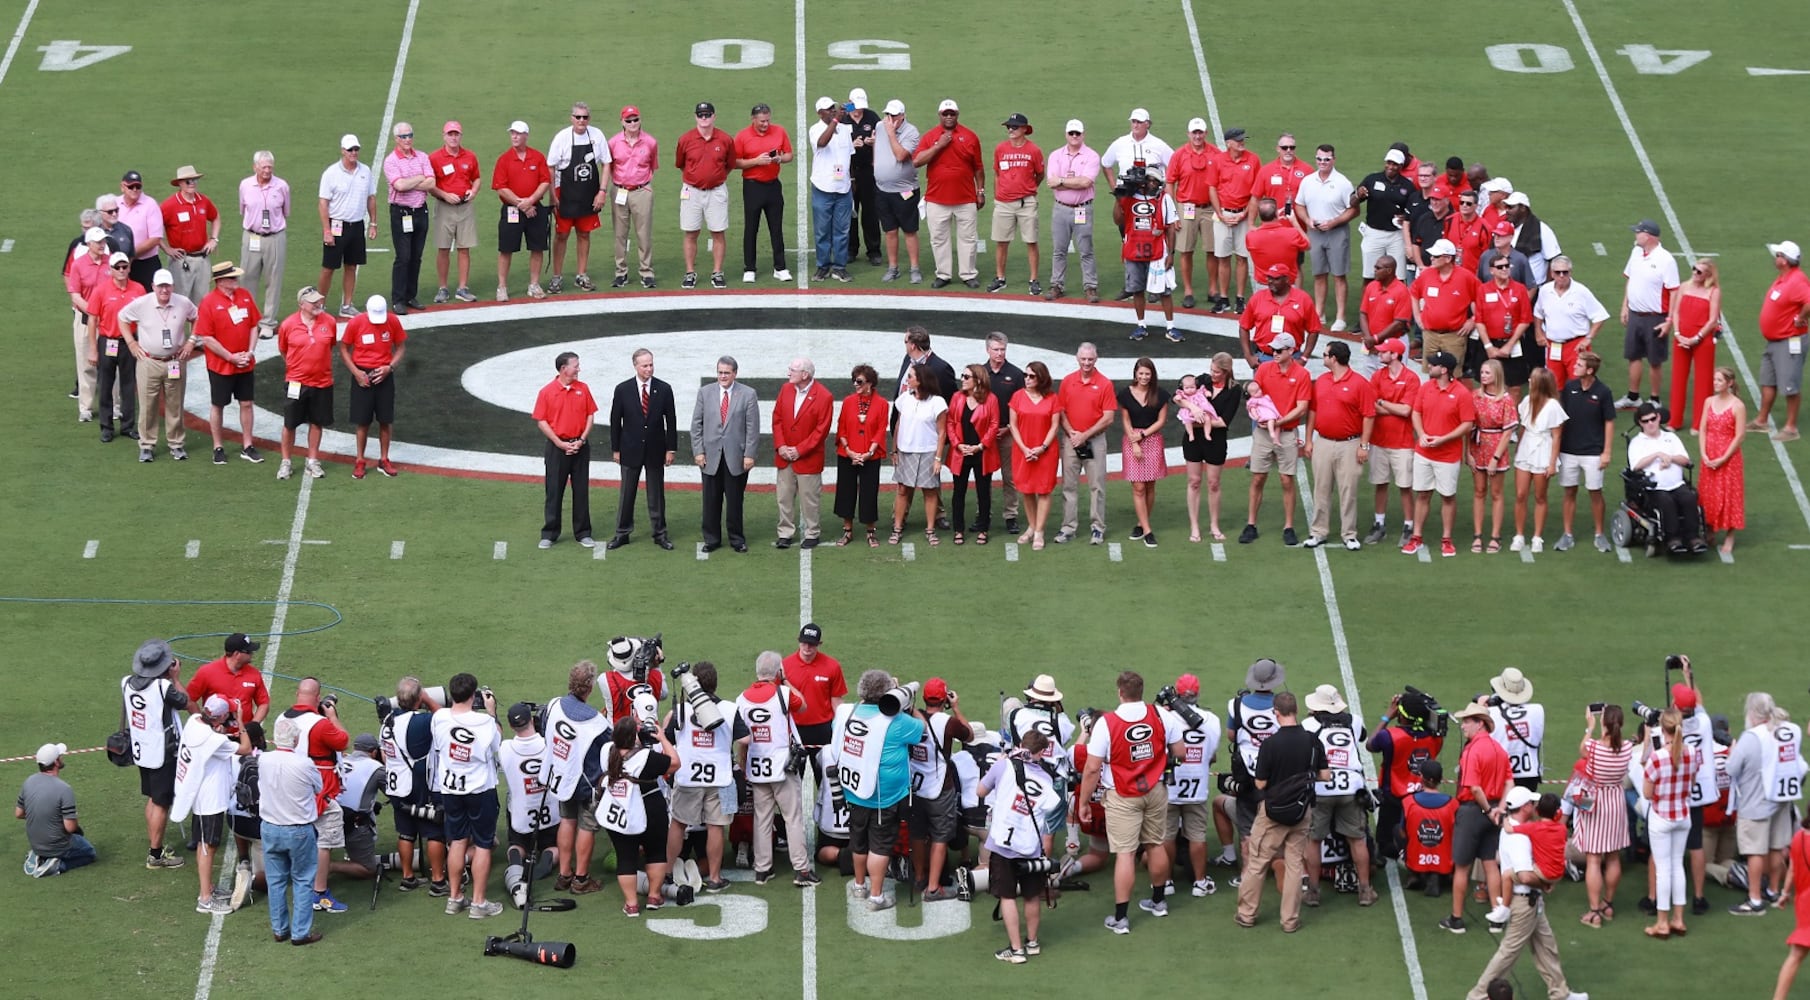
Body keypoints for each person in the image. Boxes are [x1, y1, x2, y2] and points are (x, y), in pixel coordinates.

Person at [1077, 670, 1185, 934]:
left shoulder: (1107, 723)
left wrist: (1082, 803)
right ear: (1141, 691)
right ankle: (1159, 902)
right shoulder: (1161, 714)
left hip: (1122, 795)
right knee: (1155, 844)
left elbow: (1092, 769)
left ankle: (1121, 918)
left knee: (1124, 854)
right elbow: (1180, 751)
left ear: (1120, 692)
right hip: (1156, 790)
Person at [1464, 786, 1590, 1000]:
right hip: (1524, 901)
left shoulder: (1515, 828)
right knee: (1508, 953)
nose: (1534, 806)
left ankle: (1560, 993)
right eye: (1531, 803)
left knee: (1546, 946)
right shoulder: (1520, 838)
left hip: (1530, 900)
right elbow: (1524, 876)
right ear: (1524, 807)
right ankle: (1477, 996)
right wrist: (1545, 886)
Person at [1233, 691, 1329, 932]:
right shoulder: (1312, 740)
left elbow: (1260, 784)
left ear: (1276, 713)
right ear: (1296, 711)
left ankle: (1247, 914)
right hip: (1302, 810)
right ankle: (1290, 920)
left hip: (1273, 812)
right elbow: (1325, 775)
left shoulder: (1271, 744)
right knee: (1295, 865)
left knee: (1257, 862)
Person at [839, 669, 928, 911]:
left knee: (858, 840)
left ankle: (859, 885)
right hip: (883, 795)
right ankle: (876, 897)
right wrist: (904, 702)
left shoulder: (847, 712)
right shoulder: (896, 721)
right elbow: (922, 730)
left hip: (854, 789)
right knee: (879, 845)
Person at [978, 728, 1060, 963]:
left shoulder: (1003, 766)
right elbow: (1051, 806)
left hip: (1003, 842)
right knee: (1032, 896)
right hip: (1030, 845)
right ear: (1041, 752)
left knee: (1007, 897)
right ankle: (1032, 942)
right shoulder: (1046, 777)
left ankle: (1016, 950)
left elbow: (980, 790)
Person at [661, 660, 742, 893]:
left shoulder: (682, 710)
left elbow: (669, 736)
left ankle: (666, 873)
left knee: (678, 824)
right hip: (722, 779)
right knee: (717, 827)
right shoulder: (729, 708)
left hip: (687, 777)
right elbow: (745, 739)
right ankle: (715, 878)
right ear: (715, 684)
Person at [736, 651, 815, 885]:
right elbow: (803, 706)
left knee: (762, 818)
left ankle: (762, 869)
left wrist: (743, 761)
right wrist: (787, 680)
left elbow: (742, 737)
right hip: (782, 766)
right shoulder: (783, 693)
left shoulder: (742, 698)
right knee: (792, 817)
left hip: (757, 766)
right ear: (778, 671)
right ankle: (801, 869)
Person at [173, 695, 254, 913]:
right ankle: (206, 898)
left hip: (199, 794)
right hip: (211, 799)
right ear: (221, 717)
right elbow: (246, 748)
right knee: (209, 845)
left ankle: (207, 888)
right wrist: (240, 721)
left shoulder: (194, 721)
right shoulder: (214, 740)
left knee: (204, 843)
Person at [431, 673, 503, 919]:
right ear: (474, 696)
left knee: (457, 841)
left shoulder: (439, 717)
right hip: (479, 789)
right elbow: (496, 746)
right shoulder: (484, 722)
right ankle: (479, 903)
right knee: (483, 844)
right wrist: (492, 713)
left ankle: (455, 898)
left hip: (451, 789)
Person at [1729, 692, 1807, 916]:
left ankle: (1755, 899)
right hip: (1781, 800)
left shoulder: (1751, 737)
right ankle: (1773, 890)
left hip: (1755, 802)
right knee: (1775, 848)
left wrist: (1733, 753)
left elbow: (1731, 769)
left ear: (1753, 713)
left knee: (1754, 852)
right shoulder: (1786, 729)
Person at [1302, 684, 1376, 906]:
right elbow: (1361, 736)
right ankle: (1365, 890)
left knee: (1313, 840)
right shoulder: (1353, 721)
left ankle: (1313, 892)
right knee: (1357, 840)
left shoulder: (1308, 724)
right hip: (1351, 787)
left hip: (1322, 787)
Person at [597, 716, 678, 916]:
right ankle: (653, 896)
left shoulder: (607, 751)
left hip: (617, 809)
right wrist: (663, 739)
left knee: (625, 857)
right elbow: (675, 763)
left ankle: (631, 904)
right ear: (634, 737)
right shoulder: (647, 757)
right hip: (650, 807)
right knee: (656, 852)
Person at [116, 268, 198, 463]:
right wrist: (132, 343)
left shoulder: (183, 302)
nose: (164, 290)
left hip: (174, 360)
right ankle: (146, 445)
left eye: (167, 286)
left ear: (173, 286)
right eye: (160, 286)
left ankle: (176, 444)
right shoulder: (143, 303)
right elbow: (122, 317)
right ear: (153, 287)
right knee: (147, 405)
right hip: (149, 361)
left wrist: (191, 341)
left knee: (175, 404)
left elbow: (197, 317)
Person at [1444, 702, 1512, 934]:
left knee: (1462, 867)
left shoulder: (1472, 751)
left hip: (1474, 810)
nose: (1463, 726)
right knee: (1491, 865)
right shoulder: (1499, 749)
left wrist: (1485, 809)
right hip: (1493, 812)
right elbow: (1509, 782)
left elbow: (1474, 788)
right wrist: (1499, 809)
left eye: (1467, 721)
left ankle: (1456, 918)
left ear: (1480, 723)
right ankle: (1496, 917)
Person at [123, 638, 190, 868]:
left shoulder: (126, 683)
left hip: (141, 750)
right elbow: (184, 701)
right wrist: (175, 678)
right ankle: (155, 854)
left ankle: (155, 845)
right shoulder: (163, 687)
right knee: (161, 803)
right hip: (163, 752)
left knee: (152, 798)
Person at [1240, 333, 1312, 546]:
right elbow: (1254, 396)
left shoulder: (1302, 375)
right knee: (1258, 477)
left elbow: (1302, 407)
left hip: (1287, 433)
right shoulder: (1264, 369)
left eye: (1279, 350)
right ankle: (1251, 523)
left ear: (1291, 351)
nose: (1274, 354)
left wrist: (1279, 422)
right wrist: (1257, 416)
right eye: (1273, 350)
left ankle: (1288, 526)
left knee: (1286, 479)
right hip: (1264, 433)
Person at [377, 677, 447, 894]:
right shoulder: (420, 722)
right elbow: (444, 718)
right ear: (418, 698)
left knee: (405, 832)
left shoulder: (388, 721)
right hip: (420, 784)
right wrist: (428, 699)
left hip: (397, 784)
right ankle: (437, 880)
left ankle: (408, 877)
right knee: (435, 831)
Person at [1304, 341, 1376, 550]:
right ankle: (1318, 532)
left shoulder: (1360, 384)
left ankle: (1349, 534)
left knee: (1348, 490)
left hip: (1350, 444)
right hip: (1324, 441)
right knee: (1321, 489)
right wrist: (1309, 440)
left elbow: (1369, 416)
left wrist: (1364, 445)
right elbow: (1313, 411)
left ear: (1334, 358)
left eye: (1326, 354)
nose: (1323, 358)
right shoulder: (1322, 381)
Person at [259, 717, 324, 945]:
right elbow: (319, 787)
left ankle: (280, 929)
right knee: (303, 879)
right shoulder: (303, 763)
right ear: (296, 739)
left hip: (270, 827)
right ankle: (300, 932)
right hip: (297, 829)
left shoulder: (264, 760)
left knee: (275, 881)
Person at [605, 348, 677, 550]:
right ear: (635, 366)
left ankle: (660, 534)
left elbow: (671, 420)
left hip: (655, 449)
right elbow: (615, 421)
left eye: (651, 364)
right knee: (627, 494)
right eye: (645, 365)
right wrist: (615, 449)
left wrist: (671, 449)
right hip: (629, 449)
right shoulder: (622, 389)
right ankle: (622, 533)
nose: (649, 368)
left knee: (656, 495)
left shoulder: (664, 389)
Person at [1406, 351, 1476, 557]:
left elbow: (1467, 424)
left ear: (1444, 370)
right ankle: (1416, 536)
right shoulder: (1425, 388)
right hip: (1424, 452)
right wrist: (1421, 433)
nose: (1429, 367)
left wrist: (1443, 439)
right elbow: (1416, 412)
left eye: (1433, 365)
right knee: (1423, 493)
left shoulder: (1462, 393)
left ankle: (1447, 539)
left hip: (1447, 456)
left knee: (1447, 496)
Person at [193, 261, 262, 465]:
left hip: (244, 362)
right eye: (232, 277)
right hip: (221, 365)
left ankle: (247, 445)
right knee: (218, 404)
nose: (236, 280)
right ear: (221, 281)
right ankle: (218, 446)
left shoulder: (245, 296)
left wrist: (249, 352)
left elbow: (253, 325)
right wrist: (230, 357)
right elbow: (207, 338)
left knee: (247, 403)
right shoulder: (208, 303)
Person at [909, 679, 973, 899]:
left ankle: (919, 878)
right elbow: (969, 735)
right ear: (944, 698)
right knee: (940, 836)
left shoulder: (911, 717)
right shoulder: (947, 722)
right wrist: (956, 708)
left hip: (914, 785)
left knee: (917, 834)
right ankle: (933, 888)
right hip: (940, 787)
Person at [1370, 689, 1447, 863]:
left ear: (1401, 715)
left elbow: (1370, 744)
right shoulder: (1436, 738)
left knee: (1386, 839)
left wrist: (1387, 716)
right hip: (1420, 797)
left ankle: (1387, 854)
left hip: (1393, 795)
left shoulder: (1389, 736)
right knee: (1416, 832)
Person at [692, 355, 760, 553]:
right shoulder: (705, 393)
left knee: (735, 501)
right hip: (710, 456)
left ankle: (737, 539)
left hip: (736, 457)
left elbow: (752, 427)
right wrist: (698, 451)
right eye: (720, 372)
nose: (722, 376)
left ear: (735, 374)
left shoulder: (748, 394)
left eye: (726, 373)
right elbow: (696, 425)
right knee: (710, 501)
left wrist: (749, 454)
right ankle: (711, 539)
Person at [914, 99, 984, 289]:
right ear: (940, 115)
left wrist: (981, 191)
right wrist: (939, 145)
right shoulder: (931, 137)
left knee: (968, 238)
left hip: (966, 198)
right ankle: (943, 274)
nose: (949, 116)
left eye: (952, 113)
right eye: (945, 113)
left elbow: (978, 167)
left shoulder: (970, 136)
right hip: (937, 199)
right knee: (938, 238)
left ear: (957, 115)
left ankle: (968, 274)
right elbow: (917, 161)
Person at [1577, 704, 1636, 927]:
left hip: (1596, 799)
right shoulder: (1627, 748)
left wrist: (1589, 728)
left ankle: (1594, 911)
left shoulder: (1594, 747)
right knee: (1613, 856)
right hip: (1615, 801)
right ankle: (1607, 903)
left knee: (1594, 857)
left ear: (1605, 723)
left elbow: (1582, 749)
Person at [1053, 344, 1117, 545]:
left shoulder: (1105, 384)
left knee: (1097, 485)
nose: (1087, 363)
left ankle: (1097, 528)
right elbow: (1060, 410)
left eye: (1090, 359)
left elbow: (1108, 417)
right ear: (1077, 358)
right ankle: (1068, 527)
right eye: (1083, 359)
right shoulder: (1068, 382)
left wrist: (1085, 435)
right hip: (1071, 440)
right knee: (1068, 485)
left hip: (1095, 441)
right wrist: (1072, 432)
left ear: (1096, 359)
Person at [338, 294, 407, 480]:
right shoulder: (356, 323)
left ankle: (384, 459)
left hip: (384, 374)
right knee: (363, 421)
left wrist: (390, 367)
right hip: (362, 374)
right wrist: (356, 372)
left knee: (386, 419)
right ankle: (360, 460)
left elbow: (401, 347)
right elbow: (343, 348)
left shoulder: (392, 321)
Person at [533, 351, 597, 549]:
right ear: (563, 368)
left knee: (581, 491)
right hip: (556, 449)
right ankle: (550, 533)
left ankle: (583, 532)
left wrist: (581, 440)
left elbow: (590, 416)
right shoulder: (547, 391)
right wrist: (559, 443)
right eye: (575, 365)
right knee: (553, 490)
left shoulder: (583, 389)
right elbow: (541, 421)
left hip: (580, 447)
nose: (579, 368)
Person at [496, 703, 556, 910]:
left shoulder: (506, 748)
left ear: (512, 727)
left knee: (517, 845)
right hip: (550, 811)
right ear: (532, 721)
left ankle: (516, 866)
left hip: (521, 815)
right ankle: (545, 862)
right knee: (552, 846)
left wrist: (491, 712)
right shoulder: (549, 743)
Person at [546, 102, 610, 295]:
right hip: (565, 194)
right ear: (571, 118)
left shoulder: (597, 136)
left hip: (589, 194)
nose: (581, 121)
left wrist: (602, 191)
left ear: (589, 119)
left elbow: (606, 164)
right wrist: (552, 196)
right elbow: (551, 167)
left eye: (585, 117)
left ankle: (581, 275)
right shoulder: (562, 138)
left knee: (584, 233)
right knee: (562, 235)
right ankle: (557, 276)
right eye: (578, 117)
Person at [1644, 708, 1698, 938]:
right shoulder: (1693, 753)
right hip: (1682, 814)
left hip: (1662, 816)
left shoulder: (1658, 757)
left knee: (1663, 869)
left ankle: (1663, 922)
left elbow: (1647, 793)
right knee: (1677, 866)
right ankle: (1678, 919)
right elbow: (1692, 783)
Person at [1628, 401, 1708, 553]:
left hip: (1677, 484)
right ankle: (1673, 538)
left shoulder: (1671, 437)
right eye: (1646, 421)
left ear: (1658, 417)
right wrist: (1657, 455)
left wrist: (1670, 458)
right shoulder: (1637, 443)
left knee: (1689, 498)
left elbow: (1686, 460)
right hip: (1654, 488)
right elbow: (1636, 466)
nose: (1650, 423)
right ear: (1640, 423)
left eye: (1653, 419)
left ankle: (1693, 537)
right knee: (1666, 502)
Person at [273, 285, 335, 480]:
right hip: (296, 382)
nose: (318, 303)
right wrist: (296, 367)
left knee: (317, 422)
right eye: (313, 301)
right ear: (301, 304)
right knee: (290, 423)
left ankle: (312, 461)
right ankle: (286, 462)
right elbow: (284, 350)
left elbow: (330, 346)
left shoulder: (330, 322)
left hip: (322, 381)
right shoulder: (288, 324)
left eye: (319, 299)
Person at [1114, 165, 1180, 342]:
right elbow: (1117, 220)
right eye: (1148, 180)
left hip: (1157, 252)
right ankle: (1141, 324)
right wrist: (1118, 198)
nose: (1151, 183)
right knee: (1136, 289)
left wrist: (1171, 253)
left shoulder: (1164, 199)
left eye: (1154, 181)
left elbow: (1172, 228)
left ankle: (1171, 326)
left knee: (1164, 291)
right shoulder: (1130, 197)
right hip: (1134, 250)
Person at [773, 357, 834, 548]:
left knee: (810, 499)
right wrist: (781, 446)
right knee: (784, 496)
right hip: (785, 457)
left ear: (805, 374)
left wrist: (799, 450)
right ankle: (785, 532)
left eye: (792, 370)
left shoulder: (824, 396)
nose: (788, 373)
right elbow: (777, 419)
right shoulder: (785, 389)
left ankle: (812, 532)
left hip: (808, 458)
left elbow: (821, 431)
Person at [1620, 219, 1681, 410]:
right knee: (1633, 355)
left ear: (1648, 236)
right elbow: (1630, 280)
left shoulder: (1666, 260)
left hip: (1656, 316)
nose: (1635, 235)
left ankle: (1655, 398)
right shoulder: (1636, 252)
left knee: (1655, 360)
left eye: (1638, 232)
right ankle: (1633, 396)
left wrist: (1669, 320)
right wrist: (1625, 306)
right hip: (1635, 313)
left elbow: (1674, 291)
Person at [1296, 144, 1358, 330]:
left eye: (1326, 159)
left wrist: (1333, 222)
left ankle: (1340, 316)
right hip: (1315, 233)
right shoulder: (1308, 181)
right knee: (1319, 274)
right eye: (1319, 159)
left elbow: (1354, 209)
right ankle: (1319, 313)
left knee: (1339, 274)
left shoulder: (1343, 183)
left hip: (1337, 232)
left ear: (1333, 160)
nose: (1322, 162)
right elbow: (1299, 204)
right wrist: (1307, 220)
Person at [86, 250, 145, 443]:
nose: (121, 270)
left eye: (124, 267)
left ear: (129, 268)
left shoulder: (138, 289)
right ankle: (106, 427)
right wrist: (93, 349)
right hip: (107, 340)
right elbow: (93, 320)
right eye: (117, 267)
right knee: (105, 385)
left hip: (130, 343)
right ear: (110, 270)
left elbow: (144, 319)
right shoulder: (100, 290)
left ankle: (128, 426)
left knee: (129, 385)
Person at [1183, 354, 1243, 543]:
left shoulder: (1234, 390)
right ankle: (1194, 525)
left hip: (1216, 441)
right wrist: (1193, 409)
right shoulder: (1201, 381)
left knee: (1213, 483)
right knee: (1193, 481)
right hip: (1193, 441)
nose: (1212, 374)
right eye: (1211, 370)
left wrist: (1199, 422)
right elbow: (1177, 397)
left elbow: (1224, 421)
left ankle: (1214, 525)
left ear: (1226, 372)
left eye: (1216, 372)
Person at [1754, 240, 1810, 441]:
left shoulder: (1797, 280)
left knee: (1789, 385)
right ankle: (1761, 420)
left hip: (1789, 341)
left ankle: (1791, 427)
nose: (1775, 257)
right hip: (1774, 341)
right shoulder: (1784, 278)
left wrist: (1802, 317)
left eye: (1778, 255)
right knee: (1768, 381)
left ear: (1784, 260)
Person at [1366, 337, 1420, 545]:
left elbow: (1407, 411)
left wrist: (1383, 403)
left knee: (1405, 486)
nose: (1379, 354)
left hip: (1402, 442)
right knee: (1380, 483)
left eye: (1383, 351)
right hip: (1379, 440)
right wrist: (1391, 407)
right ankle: (1379, 523)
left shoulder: (1411, 378)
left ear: (1395, 354)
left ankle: (1409, 525)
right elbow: (1373, 406)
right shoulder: (1378, 376)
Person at [318, 135, 378, 318]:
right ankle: (320, 305)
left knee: (351, 266)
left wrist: (373, 223)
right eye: (350, 150)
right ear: (343, 150)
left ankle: (347, 305)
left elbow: (371, 198)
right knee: (329, 267)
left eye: (356, 149)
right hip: (337, 225)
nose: (354, 153)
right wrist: (327, 230)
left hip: (357, 225)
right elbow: (323, 203)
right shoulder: (331, 173)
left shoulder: (365, 171)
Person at [733, 102, 793, 283]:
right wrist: (757, 161)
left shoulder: (779, 131)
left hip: (773, 185)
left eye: (767, 120)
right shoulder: (743, 136)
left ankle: (780, 267)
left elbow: (789, 155)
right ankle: (749, 268)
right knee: (751, 228)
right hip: (752, 186)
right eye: (762, 121)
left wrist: (779, 159)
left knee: (776, 228)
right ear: (753, 119)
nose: (765, 124)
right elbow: (735, 162)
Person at [675, 102, 733, 290]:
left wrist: (714, 177)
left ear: (714, 116)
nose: (704, 118)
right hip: (692, 191)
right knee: (691, 232)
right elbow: (681, 164)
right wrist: (697, 178)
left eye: (707, 115)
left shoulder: (725, 139)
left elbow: (730, 164)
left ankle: (717, 272)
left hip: (716, 191)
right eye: (701, 115)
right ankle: (690, 272)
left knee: (718, 231)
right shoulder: (686, 139)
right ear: (695, 117)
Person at [888, 365, 948, 545]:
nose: (907, 379)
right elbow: (898, 425)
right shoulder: (904, 398)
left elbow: (942, 432)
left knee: (930, 492)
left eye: (911, 376)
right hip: (906, 451)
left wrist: (938, 458)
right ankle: (897, 528)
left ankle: (930, 530)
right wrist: (894, 450)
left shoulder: (937, 402)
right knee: (902, 490)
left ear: (921, 380)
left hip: (928, 452)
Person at [492, 121, 552, 301]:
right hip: (513, 210)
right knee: (506, 248)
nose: (515, 137)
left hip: (535, 209)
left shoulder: (538, 157)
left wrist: (531, 201)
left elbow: (545, 181)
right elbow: (501, 187)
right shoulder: (504, 159)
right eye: (512, 133)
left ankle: (534, 284)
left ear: (526, 135)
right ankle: (502, 287)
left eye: (518, 133)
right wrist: (522, 205)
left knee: (537, 247)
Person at [16, 743, 96, 878]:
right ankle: (57, 865)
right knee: (89, 852)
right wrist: (73, 817)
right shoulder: (64, 789)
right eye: (60, 757)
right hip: (58, 845)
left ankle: (39, 856)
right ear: (56, 762)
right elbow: (70, 828)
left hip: (36, 844)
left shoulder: (28, 781)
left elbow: (19, 813)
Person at [1510, 367, 1567, 552]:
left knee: (1540, 496)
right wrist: (1518, 448)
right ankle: (1519, 536)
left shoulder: (1553, 406)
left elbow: (1557, 436)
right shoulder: (1526, 401)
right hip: (1526, 449)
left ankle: (1537, 537)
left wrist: (1552, 463)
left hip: (1543, 451)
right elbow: (1523, 427)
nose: (1529, 380)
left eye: (1532, 379)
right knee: (1520, 494)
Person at [382, 121, 435, 313]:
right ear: (396, 139)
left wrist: (413, 182)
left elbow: (431, 182)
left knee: (416, 256)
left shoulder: (422, 156)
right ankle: (398, 298)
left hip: (420, 211)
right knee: (403, 257)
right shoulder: (391, 161)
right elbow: (400, 186)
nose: (407, 139)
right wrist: (420, 178)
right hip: (401, 212)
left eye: (410, 135)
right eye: (403, 136)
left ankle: (411, 295)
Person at [988, 113, 1044, 296]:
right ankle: (1000, 278)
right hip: (1003, 202)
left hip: (1026, 202)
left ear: (1024, 129)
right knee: (1001, 242)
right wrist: (999, 193)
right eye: (1008, 127)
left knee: (1031, 241)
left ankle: (1034, 279)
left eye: (1014, 127)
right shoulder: (1000, 149)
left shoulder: (1034, 150)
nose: (1010, 130)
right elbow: (997, 173)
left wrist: (1028, 189)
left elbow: (1040, 174)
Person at [834, 364, 889, 547]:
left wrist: (869, 452)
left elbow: (881, 430)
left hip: (869, 456)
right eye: (854, 380)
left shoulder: (882, 404)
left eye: (859, 381)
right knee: (846, 492)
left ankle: (870, 532)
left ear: (870, 383)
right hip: (847, 455)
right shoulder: (848, 401)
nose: (855, 384)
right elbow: (841, 428)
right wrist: (849, 451)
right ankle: (847, 531)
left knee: (869, 493)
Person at [1045, 118, 1100, 302]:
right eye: (1071, 133)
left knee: (1086, 249)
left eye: (1078, 133)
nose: (1074, 136)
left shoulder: (1091, 156)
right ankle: (1056, 285)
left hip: (1082, 208)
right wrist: (1070, 182)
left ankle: (1090, 287)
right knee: (1059, 249)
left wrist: (1062, 181)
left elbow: (1086, 182)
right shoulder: (1055, 155)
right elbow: (1052, 183)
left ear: (1083, 134)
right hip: (1061, 209)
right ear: (1066, 135)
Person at [946, 364, 1000, 545]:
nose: (962, 379)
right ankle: (958, 529)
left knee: (983, 492)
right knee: (958, 492)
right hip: (961, 453)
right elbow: (951, 423)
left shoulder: (991, 399)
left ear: (978, 379)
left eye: (966, 376)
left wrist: (980, 446)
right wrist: (957, 444)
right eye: (962, 376)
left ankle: (983, 528)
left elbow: (994, 425)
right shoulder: (956, 397)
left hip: (981, 453)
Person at [1009, 361, 1061, 549]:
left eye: (1032, 376)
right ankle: (1031, 526)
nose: (1027, 379)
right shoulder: (1017, 397)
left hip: (1045, 452)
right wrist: (1024, 448)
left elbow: (1055, 425)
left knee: (1044, 490)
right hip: (1023, 450)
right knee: (1027, 490)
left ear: (1041, 378)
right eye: (1026, 375)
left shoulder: (1052, 398)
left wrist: (1042, 448)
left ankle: (1039, 531)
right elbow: (1013, 425)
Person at [1119, 358, 1170, 546]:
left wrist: (1143, 435)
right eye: (1141, 373)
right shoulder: (1125, 394)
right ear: (1135, 374)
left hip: (1152, 440)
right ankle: (1148, 531)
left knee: (1149, 485)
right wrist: (1134, 442)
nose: (1144, 377)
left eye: (1147, 374)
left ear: (1152, 375)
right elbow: (1125, 420)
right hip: (1133, 440)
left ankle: (1142, 523)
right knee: (1138, 486)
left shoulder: (1160, 394)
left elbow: (1161, 420)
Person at [429, 121, 482, 303]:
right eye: (450, 134)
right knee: (443, 248)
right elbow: (430, 185)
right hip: (444, 207)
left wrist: (473, 192)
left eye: (456, 134)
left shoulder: (470, 156)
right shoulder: (435, 158)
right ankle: (442, 288)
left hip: (465, 207)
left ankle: (462, 288)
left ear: (461, 136)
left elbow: (476, 179)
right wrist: (445, 194)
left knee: (464, 248)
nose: (453, 137)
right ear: (444, 136)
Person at [237, 151, 290, 334]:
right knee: (246, 279)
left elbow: (286, 211)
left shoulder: (281, 186)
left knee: (273, 280)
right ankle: (249, 320)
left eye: (270, 167)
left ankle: (268, 323)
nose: (267, 170)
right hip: (251, 236)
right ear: (255, 167)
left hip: (275, 237)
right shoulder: (245, 185)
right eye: (264, 167)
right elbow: (243, 210)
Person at [1667, 258, 1722, 430]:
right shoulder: (1684, 286)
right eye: (1694, 269)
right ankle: (1674, 421)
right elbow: (1675, 311)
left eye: (1699, 271)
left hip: (1702, 341)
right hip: (1681, 339)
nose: (1694, 273)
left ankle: (1700, 424)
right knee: (1678, 379)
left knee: (1703, 382)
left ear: (1708, 275)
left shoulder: (1714, 292)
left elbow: (1713, 320)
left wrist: (1696, 338)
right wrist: (1677, 334)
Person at [1533, 256, 1610, 380]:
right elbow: (1538, 313)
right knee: (1554, 384)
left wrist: (1588, 338)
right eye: (1558, 272)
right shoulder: (1545, 291)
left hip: (1575, 345)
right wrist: (1538, 332)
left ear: (1570, 272)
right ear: (1552, 273)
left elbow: (1600, 316)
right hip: (1553, 346)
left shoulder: (1581, 292)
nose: (1561, 275)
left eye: (1565, 272)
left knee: (1578, 383)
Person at [1470, 359, 1519, 552]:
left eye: (1487, 373)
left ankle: (1495, 536)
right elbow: (1469, 425)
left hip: (1496, 447)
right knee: (1479, 491)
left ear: (1496, 375)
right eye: (1482, 372)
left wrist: (1495, 458)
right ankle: (1477, 535)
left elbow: (1507, 432)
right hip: (1478, 446)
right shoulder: (1475, 396)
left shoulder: (1506, 399)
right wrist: (1468, 453)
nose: (1483, 376)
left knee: (1496, 493)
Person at [608, 107, 660, 289]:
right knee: (619, 234)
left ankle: (646, 272)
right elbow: (609, 167)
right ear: (622, 122)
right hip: (619, 190)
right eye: (628, 120)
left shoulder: (650, 142)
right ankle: (620, 272)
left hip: (641, 190)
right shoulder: (613, 142)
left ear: (640, 120)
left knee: (643, 233)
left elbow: (653, 166)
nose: (632, 124)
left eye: (635, 120)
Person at [1698, 367, 1747, 553]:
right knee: (1708, 493)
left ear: (1730, 383)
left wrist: (1723, 458)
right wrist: (1703, 453)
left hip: (1728, 457)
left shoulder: (1738, 406)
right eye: (1714, 379)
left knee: (1729, 496)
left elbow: (1740, 435)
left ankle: (1730, 535)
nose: (1715, 383)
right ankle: (1709, 529)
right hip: (1710, 454)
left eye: (1719, 380)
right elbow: (1703, 428)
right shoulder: (1709, 401)